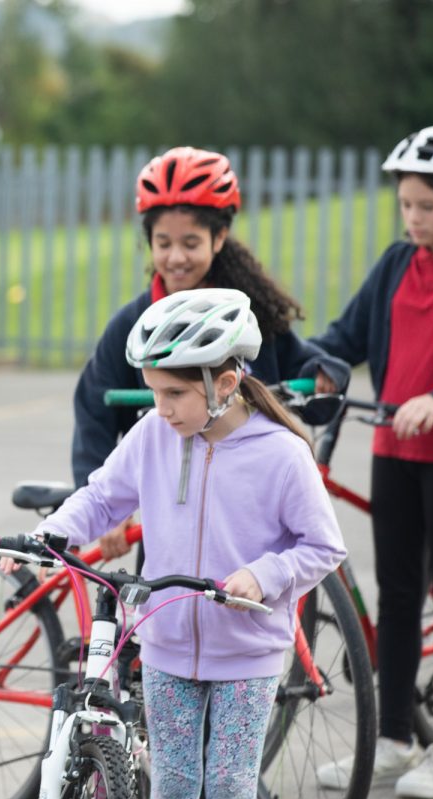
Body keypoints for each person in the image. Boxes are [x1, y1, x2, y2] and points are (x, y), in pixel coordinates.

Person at [7, 288, 346, 799]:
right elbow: (102, 497)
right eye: (153, 392)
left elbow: (323, 545)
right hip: (164, 647)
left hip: (247, 654)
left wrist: (264, 576)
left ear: (224, 384)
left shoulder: (282, 454)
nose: (160, 409)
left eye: (174, 394)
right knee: (175, 785)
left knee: (230, 786)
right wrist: (50, 534)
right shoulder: (153, 434)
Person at [72, 146, 349, 558]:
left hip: (251, 518)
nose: (175, 257)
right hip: (170, 519)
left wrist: (323, 372)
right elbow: (93, 412)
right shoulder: (133, 324)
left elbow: (301, 363)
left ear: (219, 238)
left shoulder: (248, 316)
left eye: (190, 243)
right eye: (163, 243)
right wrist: (110, 509)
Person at [312, 126, 433, 797]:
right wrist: (316, 366)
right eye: (406, 205)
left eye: (429, 206)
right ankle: (394, 739)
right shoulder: (396, 264)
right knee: (396, 597)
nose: (414, 218)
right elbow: (346, 336)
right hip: (393, 449)